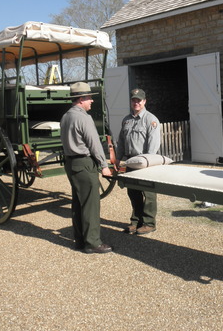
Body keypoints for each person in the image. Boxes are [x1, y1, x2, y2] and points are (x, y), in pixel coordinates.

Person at [60, 82, 113, 254]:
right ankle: (93, 242)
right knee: (90, 204)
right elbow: (94, 144)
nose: (91, 101)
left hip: (71, 163)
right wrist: (104, 166)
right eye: (89, 98)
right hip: (84, 163)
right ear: (81, 99)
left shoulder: (66, 116)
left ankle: (80, 240)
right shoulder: (83, 117)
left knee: (78, 203)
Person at [116, 88, 161, 235]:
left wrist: (147, 162)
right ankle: (136, 221)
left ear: (144, 101)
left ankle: (149, 223)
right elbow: (121, 141)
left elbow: (153, 145)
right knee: (133, 193)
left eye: (139, 100)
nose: (136, 103)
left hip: (144, 162)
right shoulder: (126, 120)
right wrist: (118, 158)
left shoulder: (151, 120)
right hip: (130, 162)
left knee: (148, 194)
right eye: (133, 100)